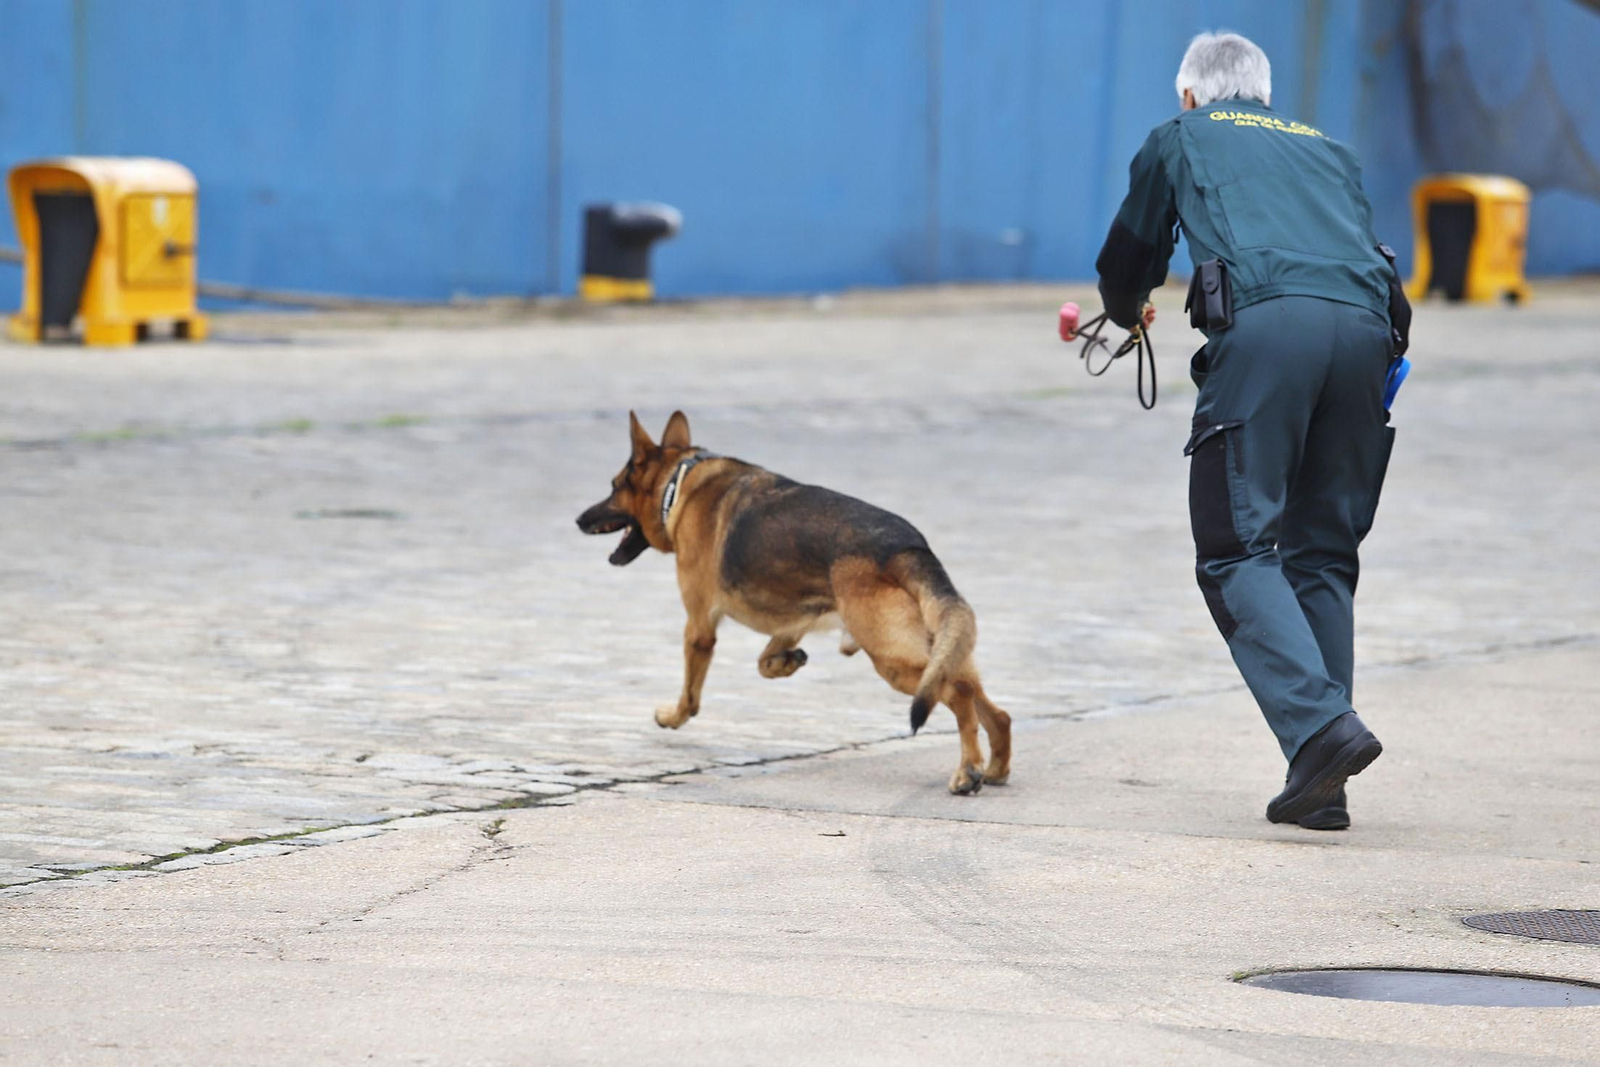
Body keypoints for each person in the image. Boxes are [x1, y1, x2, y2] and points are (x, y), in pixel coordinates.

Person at [1094, 32, 1409, 830]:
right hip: (1370, 339)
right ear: (1263, 95)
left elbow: (1130, 253)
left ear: (1192, 95)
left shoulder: (1182, 136)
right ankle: (1321, 782)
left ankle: (1317, 729)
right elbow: (1373, 262)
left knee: (1235, 547)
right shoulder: (1327, 149)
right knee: (1323, 554)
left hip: (1270, 336)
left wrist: (1126, 313)